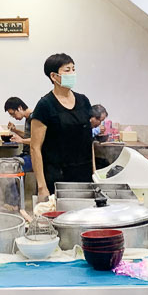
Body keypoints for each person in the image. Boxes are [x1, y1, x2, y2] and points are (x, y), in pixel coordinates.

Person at [30, 53, 94, 199]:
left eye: (73, 69)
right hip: (56, 176)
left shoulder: (83, 101)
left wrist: (94, 173)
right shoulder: (45, 105)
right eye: (67, 70)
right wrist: (42, 186)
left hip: (83, 174)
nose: (72, 73)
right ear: (54, 76)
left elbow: (88, 140)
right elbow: (35, 148)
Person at [3, 96, 33, 172]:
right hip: (26, 154)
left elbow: (38, 140)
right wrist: (15, 130)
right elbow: (28, 136)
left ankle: (14, 184)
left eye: (13, 114)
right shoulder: (28, 118)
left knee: (9, 168)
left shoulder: (34, 118)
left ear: (19, 108)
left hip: (33, 157)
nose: (13, 117)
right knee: (3, 163)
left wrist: (21, 141)